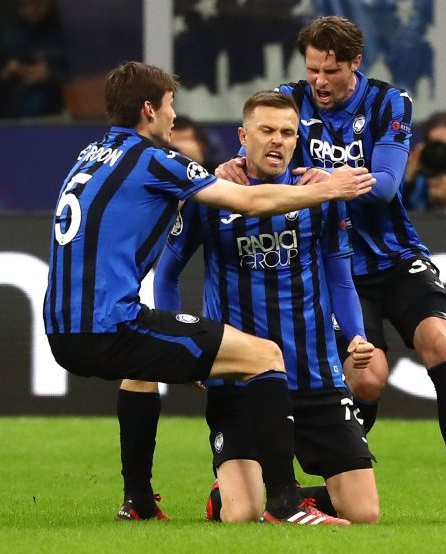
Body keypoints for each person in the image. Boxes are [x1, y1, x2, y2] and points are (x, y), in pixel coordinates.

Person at [43, 61, 375, 525]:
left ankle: (137, 501)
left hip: (63, 330)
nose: (174, 116)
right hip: (110, 323)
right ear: (148, 109)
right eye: (170, 105)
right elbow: (249, 200)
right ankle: (286, 503)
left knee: (140, 371)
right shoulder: (153, 158)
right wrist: (332, 186)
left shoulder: (91, 155)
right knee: (263, 356)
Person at [216, 16, 446, 526]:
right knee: (367, 380)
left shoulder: (391, 103)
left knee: (440, 343)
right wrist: (233, 168)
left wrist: (329, 182)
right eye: (313, 69)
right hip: (336, 265)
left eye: (332, 70)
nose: (319, 81)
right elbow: (255, 161)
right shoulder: (287, 98)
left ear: (355, 64)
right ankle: (319, 484)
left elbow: (385, 186)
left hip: (394, 256)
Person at [153, 91, 379, 523]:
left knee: (365, 513)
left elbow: (339, 274)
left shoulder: (319, 194)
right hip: (240, 377)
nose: (277, 141)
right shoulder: (213, 195)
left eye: (287, 132)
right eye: (267, 131)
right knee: (244, 514)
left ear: (298, 140)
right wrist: (184, 353)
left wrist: (355, 335)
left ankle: (294, 493)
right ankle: (233, 494)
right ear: (243, 135)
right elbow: (166, 274)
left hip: (315, 373)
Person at [0, 0, 68, 118]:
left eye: (38, 4)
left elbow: (87, 83)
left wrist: (50, 75)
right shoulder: (3, 35)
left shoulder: (67, 32)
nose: (31, 10)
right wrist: (6, 74)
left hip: (57, 119)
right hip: (9, 120)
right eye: (23, 5)